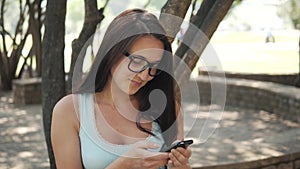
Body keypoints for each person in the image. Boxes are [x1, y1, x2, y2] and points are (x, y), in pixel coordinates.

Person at [51, 9, 192, 169]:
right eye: (138, 61)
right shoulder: (69, 111)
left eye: (154, 67)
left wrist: (181, 166)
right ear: (112, 51)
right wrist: (124, 165)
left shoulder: (168, 108)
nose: (145, 76)